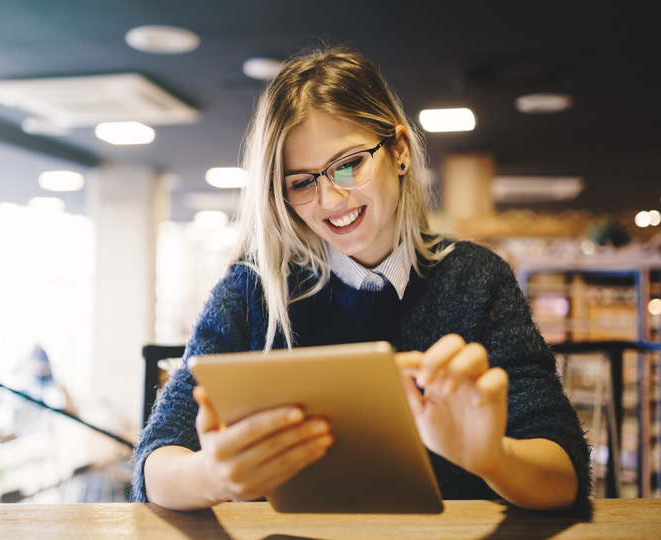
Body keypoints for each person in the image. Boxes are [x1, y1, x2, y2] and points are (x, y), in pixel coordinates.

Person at [132, 45, 590, 511]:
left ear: (399, 151)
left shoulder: (476, 278)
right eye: (302, 182)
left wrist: (493, 458)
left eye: (349, 164)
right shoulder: (254, 289)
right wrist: (210, 475)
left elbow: (564, 474)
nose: (331, 200)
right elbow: (156, 461)